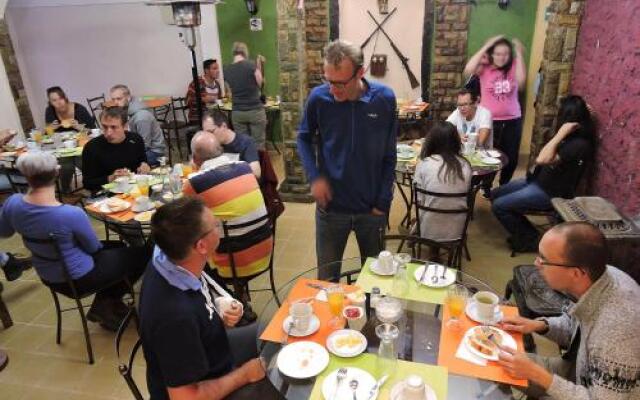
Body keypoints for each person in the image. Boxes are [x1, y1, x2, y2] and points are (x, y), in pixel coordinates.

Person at [0, 152, 151, 330]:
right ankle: (105, 303)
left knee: (118, 246)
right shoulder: (69, 214)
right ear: (57, 172)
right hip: (78, 277)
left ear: (25, 175)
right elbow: (93, 248)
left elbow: (4, 232)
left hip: (47, 274)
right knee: (143, 254)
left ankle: (107, 303)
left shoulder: (13, 203)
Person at [139, 197, 266, 400]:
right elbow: (186, 397)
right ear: (201, 246)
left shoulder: (167, 255)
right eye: (215, 225)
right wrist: (245, 375)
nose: (219, 226)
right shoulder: (174, 316)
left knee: (276, 331)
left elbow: (196, 294)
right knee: (280, 387)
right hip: (204, 387)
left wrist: (215, 310)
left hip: (212, 351)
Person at [497, 222, 640, 400]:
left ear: (576, 273)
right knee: (497, 361)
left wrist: (539, 376)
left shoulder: (618, 332)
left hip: (596, 392)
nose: (536, 263)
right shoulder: (600, 276)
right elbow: (575, 323)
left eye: (544, 259)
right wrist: (539, 325)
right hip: (578, 369)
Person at [297, 39, 397, 281]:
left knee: (376, 282)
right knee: (327, 280)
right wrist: (314, 177)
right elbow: (303, 138)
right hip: (331, 210)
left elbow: (389, 154)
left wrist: (382, 202)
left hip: (371, 210)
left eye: (340, 83)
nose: (333, 90)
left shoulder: (384, 99)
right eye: (328, 81)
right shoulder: (318, 98)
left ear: (360, 73)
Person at [491, 95, 595, 252]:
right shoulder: (572, 135)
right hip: (536, 181)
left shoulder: (579, 144)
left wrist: (560, 133)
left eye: (560, 114)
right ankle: (524, 231)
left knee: (500, 206)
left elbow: (542, 159)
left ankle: (531, 238)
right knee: (495, 195)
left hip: (550, 192)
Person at [184, 132, 272, 287]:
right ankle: (240, 294)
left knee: (191, 249)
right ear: (221, 150)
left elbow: (185, 214)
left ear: (195, 158)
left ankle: (221, 298)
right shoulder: (244, 167)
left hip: (232, 264)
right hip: (264, 252)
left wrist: (195, 171)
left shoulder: (195, 182)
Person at [464, 35, 526, 185]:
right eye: (498, 53)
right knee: (486, 156)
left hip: (512, 120)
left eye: (505, 54)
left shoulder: (514, 66)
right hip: (489, 121)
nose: (502, 57)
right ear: (492, 54)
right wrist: (486, 47)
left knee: (511, 158)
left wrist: (518, 53)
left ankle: (503, 186)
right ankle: (486, 186)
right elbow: (468, 70)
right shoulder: (484, 68)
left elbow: (522, 82)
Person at [414, 122, 472, 243]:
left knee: (426, 206)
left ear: (431, 141)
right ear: (456, 141)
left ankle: (423, 240)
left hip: (428, 230)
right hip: (458, 230)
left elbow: (419, 200)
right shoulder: (466, 165)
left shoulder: (425, 164)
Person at [81, 106, 150, 193]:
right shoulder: (92, 147)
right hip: (105, 194)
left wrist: (144, 167)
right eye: (105, 127)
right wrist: (111, 178)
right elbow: (87, 183)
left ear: (125, 126)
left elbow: (143, 162)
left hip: (134, 189)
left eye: (114, 127)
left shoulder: (136, 139)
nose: (108, 133)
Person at [223, 42, 267, 149]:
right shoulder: (251, 65)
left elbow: (229, 91)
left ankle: (246, 165)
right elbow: (260, 83)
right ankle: (258, 164)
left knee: (242, 143)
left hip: (237, 112)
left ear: (233, 53)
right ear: (245, 52)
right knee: (258, 143)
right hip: (255, 110)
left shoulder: (226, 69)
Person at [109, 84, 166, 165]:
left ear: (128, 98)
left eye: (119, 99)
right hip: (143, 147)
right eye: (113, 99)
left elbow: (144, 145)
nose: (115, 103)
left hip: (155, 153)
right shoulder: (128, 110)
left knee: (119, 162)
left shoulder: (141, 117)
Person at [202, 110, 261, 178]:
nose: (208, 136)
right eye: (206, 133)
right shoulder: (209, 144)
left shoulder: (246, 142)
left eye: (211, 132)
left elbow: (256, 173)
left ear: (224, 126)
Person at [186, 59, 224, 123]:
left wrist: (221, 102)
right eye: (214, 69)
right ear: (206, 71)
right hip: (198, 119)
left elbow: (219, 101)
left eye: (218, 68)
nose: (218, 71)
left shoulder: (217, 84)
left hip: (213, 118)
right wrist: (202, 99)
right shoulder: (198, 82)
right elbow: (188, 101)